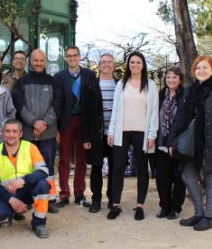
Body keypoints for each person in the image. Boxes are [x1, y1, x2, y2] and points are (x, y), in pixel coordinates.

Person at [168, 55, 212, 231]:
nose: (201, 70)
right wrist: (171, 142)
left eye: (205, 67)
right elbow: (180, 118)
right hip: (192, 145)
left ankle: (209, 217)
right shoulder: (190, 91)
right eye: (198, 68)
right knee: (188, 176)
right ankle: (198, 213)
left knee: (211, 179)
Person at [107, 51, 159, 220]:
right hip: (122, 131)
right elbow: (115, 110)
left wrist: (152, 134)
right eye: (132, 62)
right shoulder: (121, 84)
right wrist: (112, 131)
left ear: (143, 65)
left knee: (143, 169)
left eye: (138, 62)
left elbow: (153, 113)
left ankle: (140, 206)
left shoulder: (150, 85)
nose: (135, 65)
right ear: (128, 65)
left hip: (142, 133)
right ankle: (115, 204)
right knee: (117, 168)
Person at [12, 48, 60, 213]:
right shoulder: (21, 82)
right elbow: (19, 106)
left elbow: (57, 105)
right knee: (27, 168)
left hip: (48, 134)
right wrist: (34, 123)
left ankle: (50, 200)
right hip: (28, 134)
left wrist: (44, 123)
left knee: (48, 168)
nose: (38, 63)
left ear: (45, 61)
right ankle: (29, 198)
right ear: (29, 61)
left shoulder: (53, 81)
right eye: (35, 60)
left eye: (41, 60)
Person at [0, 119, 51, 238]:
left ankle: (39, 224)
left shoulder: (30, 147)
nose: (11, 135)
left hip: (27, 191)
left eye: (14, 131)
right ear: (2, 133)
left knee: (43, 184)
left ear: (20, 133)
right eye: (8, 131)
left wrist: (23, 180)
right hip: (7, 194)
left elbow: (43, 171)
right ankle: (12, 211)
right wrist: (11, 199)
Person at [53, 45, 96, 207]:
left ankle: (79, 194)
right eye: (69, 56)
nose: (72, 58)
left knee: (81, 159)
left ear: (79, 57)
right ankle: (64, 194)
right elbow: (56, 102)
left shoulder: (89, 75)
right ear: (65, 58)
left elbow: (92, 102)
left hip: (83, 122)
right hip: (65, 121)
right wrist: (56, 126)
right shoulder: (59, 76)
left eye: (74, 55)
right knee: (64, 159)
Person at [80, 53, 117, 213]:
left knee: (115, 168)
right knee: (96, 168)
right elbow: (84, 114)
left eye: (110, 62)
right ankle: (96, 199)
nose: (107, 65)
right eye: (103, 62)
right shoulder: (90, 86)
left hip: (115, 134)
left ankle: (113, 198)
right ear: (99, 65)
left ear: (114, 66)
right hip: (96, 135)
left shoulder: (120, 85)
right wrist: (86, 137)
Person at [155, 67, 187, 220]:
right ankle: (165, 206)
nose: (171, 80)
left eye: (174, 77)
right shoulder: (161, 95)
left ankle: (175, 208)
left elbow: (185, 122)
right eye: (168, 77)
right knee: (162, 178)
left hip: (178, 145)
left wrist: (174, 142)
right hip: (161, 144)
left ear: (180, 80)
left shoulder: (185, 96)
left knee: (178, 178)